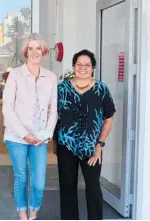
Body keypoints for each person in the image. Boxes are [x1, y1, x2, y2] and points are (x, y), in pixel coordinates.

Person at [2, 33, 58, 220]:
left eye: (38, 48)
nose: (35, 52)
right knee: (21, 178)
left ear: (44, 51)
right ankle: (23, 214)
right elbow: (7, 109)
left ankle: (34, 211)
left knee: (39, 182)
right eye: (31, 48)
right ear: (26, 52)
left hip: (40, 138)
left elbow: (53, 110)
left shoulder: (51, 77)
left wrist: (46, 134)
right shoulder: (15, 75)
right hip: (16, 136)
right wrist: (25, 134)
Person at [55, 49, 116, 220]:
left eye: (87, 65)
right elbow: (53, 116)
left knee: (93, 187)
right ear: (74, 66)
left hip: (92, 147)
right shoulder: (61, 89)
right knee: (67, 187)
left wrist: (99, 146)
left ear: (93, 67)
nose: (83, 68)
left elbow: (109, 119)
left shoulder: (102, 89)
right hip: (66, 146)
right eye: (79, 64)